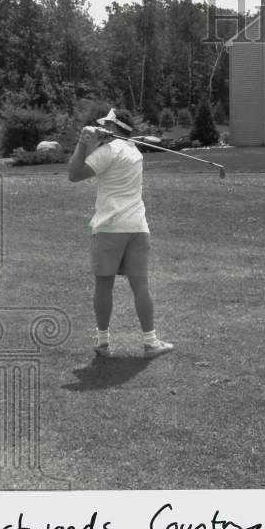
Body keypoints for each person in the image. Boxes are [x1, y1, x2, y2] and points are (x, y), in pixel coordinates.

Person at [67, 107, 173, 358]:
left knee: (104, 284)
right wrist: (99, 140)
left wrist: (83, 144)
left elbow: (74, 174)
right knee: (141, 285)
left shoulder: (108, 152)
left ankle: (102, 343)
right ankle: (151, 342)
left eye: (106, 125)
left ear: (113, 128)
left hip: (110, 227)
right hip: (137, 227)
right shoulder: (135, 152)